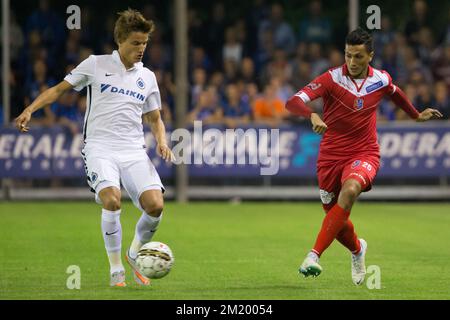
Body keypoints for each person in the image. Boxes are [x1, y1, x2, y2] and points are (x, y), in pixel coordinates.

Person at [15, 9, 175, 287]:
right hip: (100, 148)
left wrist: (161, 140)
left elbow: (155, 118)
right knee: (112, 200)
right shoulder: (95, 64)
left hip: (133, 150)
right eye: (136, 43)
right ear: (120, 41)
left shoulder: (147, 76)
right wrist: (30, 109)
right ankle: (116, 271)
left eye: (145, 43)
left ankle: (134, 254)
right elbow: (58, 90)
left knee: (155, 206)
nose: (141, 49)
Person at [285, 28, 442, 285]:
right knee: (335, 215)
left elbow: (395, 93)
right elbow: (293, 102)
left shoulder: (380, 79)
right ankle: (358, 250)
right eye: (348, 55)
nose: (352, 62)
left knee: (350, 191)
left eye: (358, 56)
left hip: (364, 152)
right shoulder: (331, 79)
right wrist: (311, 114)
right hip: (330, 158)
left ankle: (312, 257)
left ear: (370, 55)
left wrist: (415, 114)